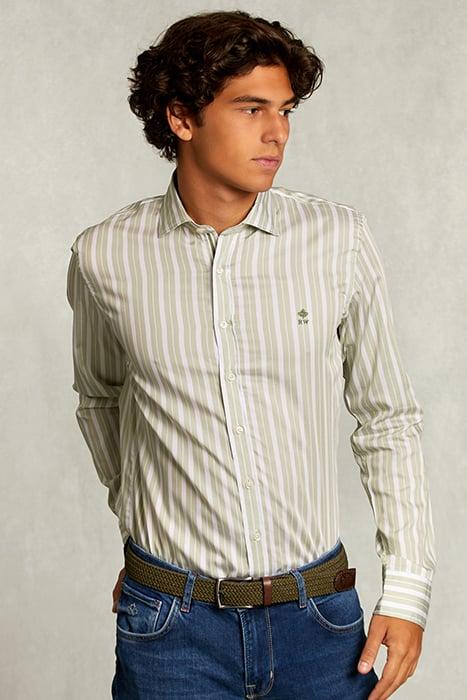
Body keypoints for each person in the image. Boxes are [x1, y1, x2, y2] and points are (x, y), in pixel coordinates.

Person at [66, 9, 436, 699]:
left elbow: (387, 418)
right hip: (170, 630)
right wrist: (146, 527)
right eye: (250, 108)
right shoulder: (104, 255)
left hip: (318, 624)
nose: (278, 133)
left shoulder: (337, 240)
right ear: (182, 118)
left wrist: (407, 589)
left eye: (285, 110)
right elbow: (101, 399)